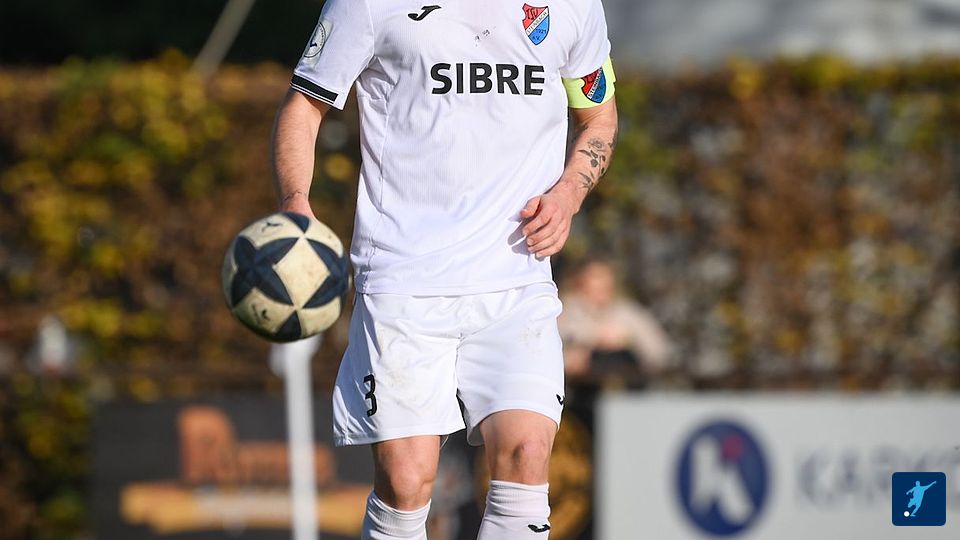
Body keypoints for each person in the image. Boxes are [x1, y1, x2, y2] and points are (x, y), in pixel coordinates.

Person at [271, 0, 618, 537]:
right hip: (403, 281)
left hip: (516, 279)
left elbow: (598, 116)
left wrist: (569, 193)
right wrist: (296, 201)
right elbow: (305, 105)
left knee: (527, 454)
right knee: (406, 482)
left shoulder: (573, 6)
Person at [558, 259, 672, 383]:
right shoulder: (563, 311)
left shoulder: (629, 312)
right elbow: (554, 353)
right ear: (580, 282)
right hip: (577, 387)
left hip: (627, 387)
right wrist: (592, 340)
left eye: (605, 279)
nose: (601, 284)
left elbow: (660, 353)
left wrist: (629, 341)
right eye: (595, 278)